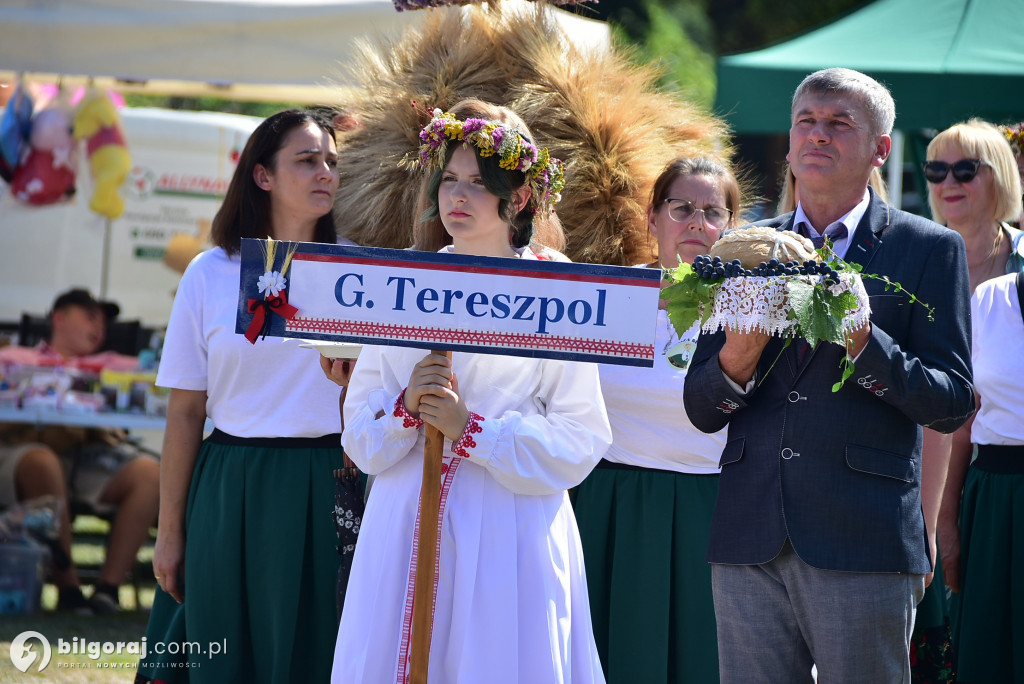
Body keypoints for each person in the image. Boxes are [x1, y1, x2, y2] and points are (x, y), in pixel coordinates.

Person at [682, 68, 975, 683]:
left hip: (862, 541)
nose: (818, 135)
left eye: (840, 124)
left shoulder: (928, 249)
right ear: (788, 143)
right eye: (806, 122)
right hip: (748, 535)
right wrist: (738, 356)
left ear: (881, 150)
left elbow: (951, 402)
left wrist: (865, 343)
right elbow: (702, 408)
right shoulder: (740, 249)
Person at [330, 106, 612, 683]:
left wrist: (473, 429)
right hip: (405, 522)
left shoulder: (555, 289)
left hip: (506, 528)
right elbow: (358, 431)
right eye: (451, 180)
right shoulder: (404, 283)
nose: (458, 196)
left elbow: (582, 437)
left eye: (480, 184)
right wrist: (407, 410)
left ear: (521, 196)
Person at [136, 109, 344, 683]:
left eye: (331, 161)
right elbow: (183, 413)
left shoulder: (360, 270)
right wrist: (170, 533)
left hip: (332, 481)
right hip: (231, 482)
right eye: (306, 160)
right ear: (262, 176)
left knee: (314, 655)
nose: (324, 171)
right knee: (224, 656)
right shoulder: (210, 273)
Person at [570, 157, 737, 683]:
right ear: (651, 217)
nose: (696, 223)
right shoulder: (605, 297)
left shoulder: (748, 309)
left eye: (713, 212)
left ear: (731, 226)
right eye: (681, 208)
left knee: (700, 663)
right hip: (605, 504)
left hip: (708, 510)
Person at [929, 121, 1024, 682]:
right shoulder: (916, 256)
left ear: (1002, 177)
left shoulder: (1012, 273)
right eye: (936, 170)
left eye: (966, 169)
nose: (948, 182)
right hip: (937, 468)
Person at [0, 288, 160, 615]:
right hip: (23, 453)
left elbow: (163, 377)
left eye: (103, 320)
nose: (98, 327)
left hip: (87, 459)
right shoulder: (15, 358)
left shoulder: (113, 365)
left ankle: (108, 590)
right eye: (89, 316)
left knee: (149, 473)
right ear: (59, 317)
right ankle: (69, 589)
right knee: (43, 463)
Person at [940, 272, 1024, 683]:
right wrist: (946, 520)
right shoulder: (989, 299)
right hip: (993, 506)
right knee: (987, 660)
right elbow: (961, 421)